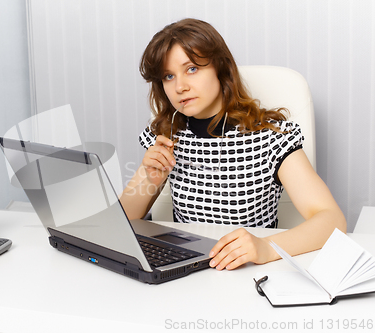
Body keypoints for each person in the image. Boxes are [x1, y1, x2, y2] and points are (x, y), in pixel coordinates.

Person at [119, 18, 346, 271]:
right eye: (168, 76)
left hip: (249, 274)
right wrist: (149, 179)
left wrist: (265, 247)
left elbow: (332, 220)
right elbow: (121, 223)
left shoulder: (271, 136)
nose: (180, 87)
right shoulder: (166, 135)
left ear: (220, 68)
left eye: (192, 68)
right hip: (184, 273)